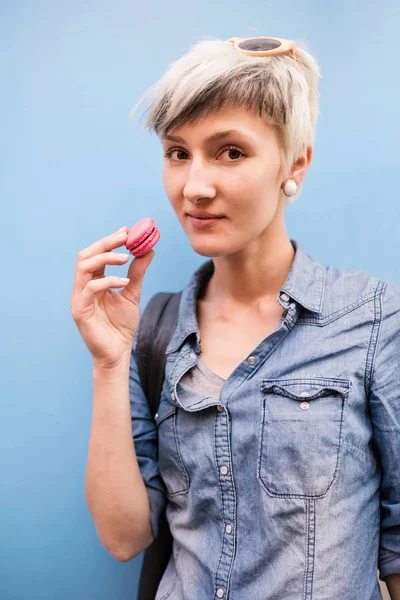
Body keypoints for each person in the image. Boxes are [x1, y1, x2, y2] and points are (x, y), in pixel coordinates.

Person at [71, 36, 400, 599]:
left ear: (294, 163)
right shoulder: (155, 326)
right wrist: (108, 361)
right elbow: (125, 537)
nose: (194, 188)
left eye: (230, 152)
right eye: (178, 153)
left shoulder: (372, 319)